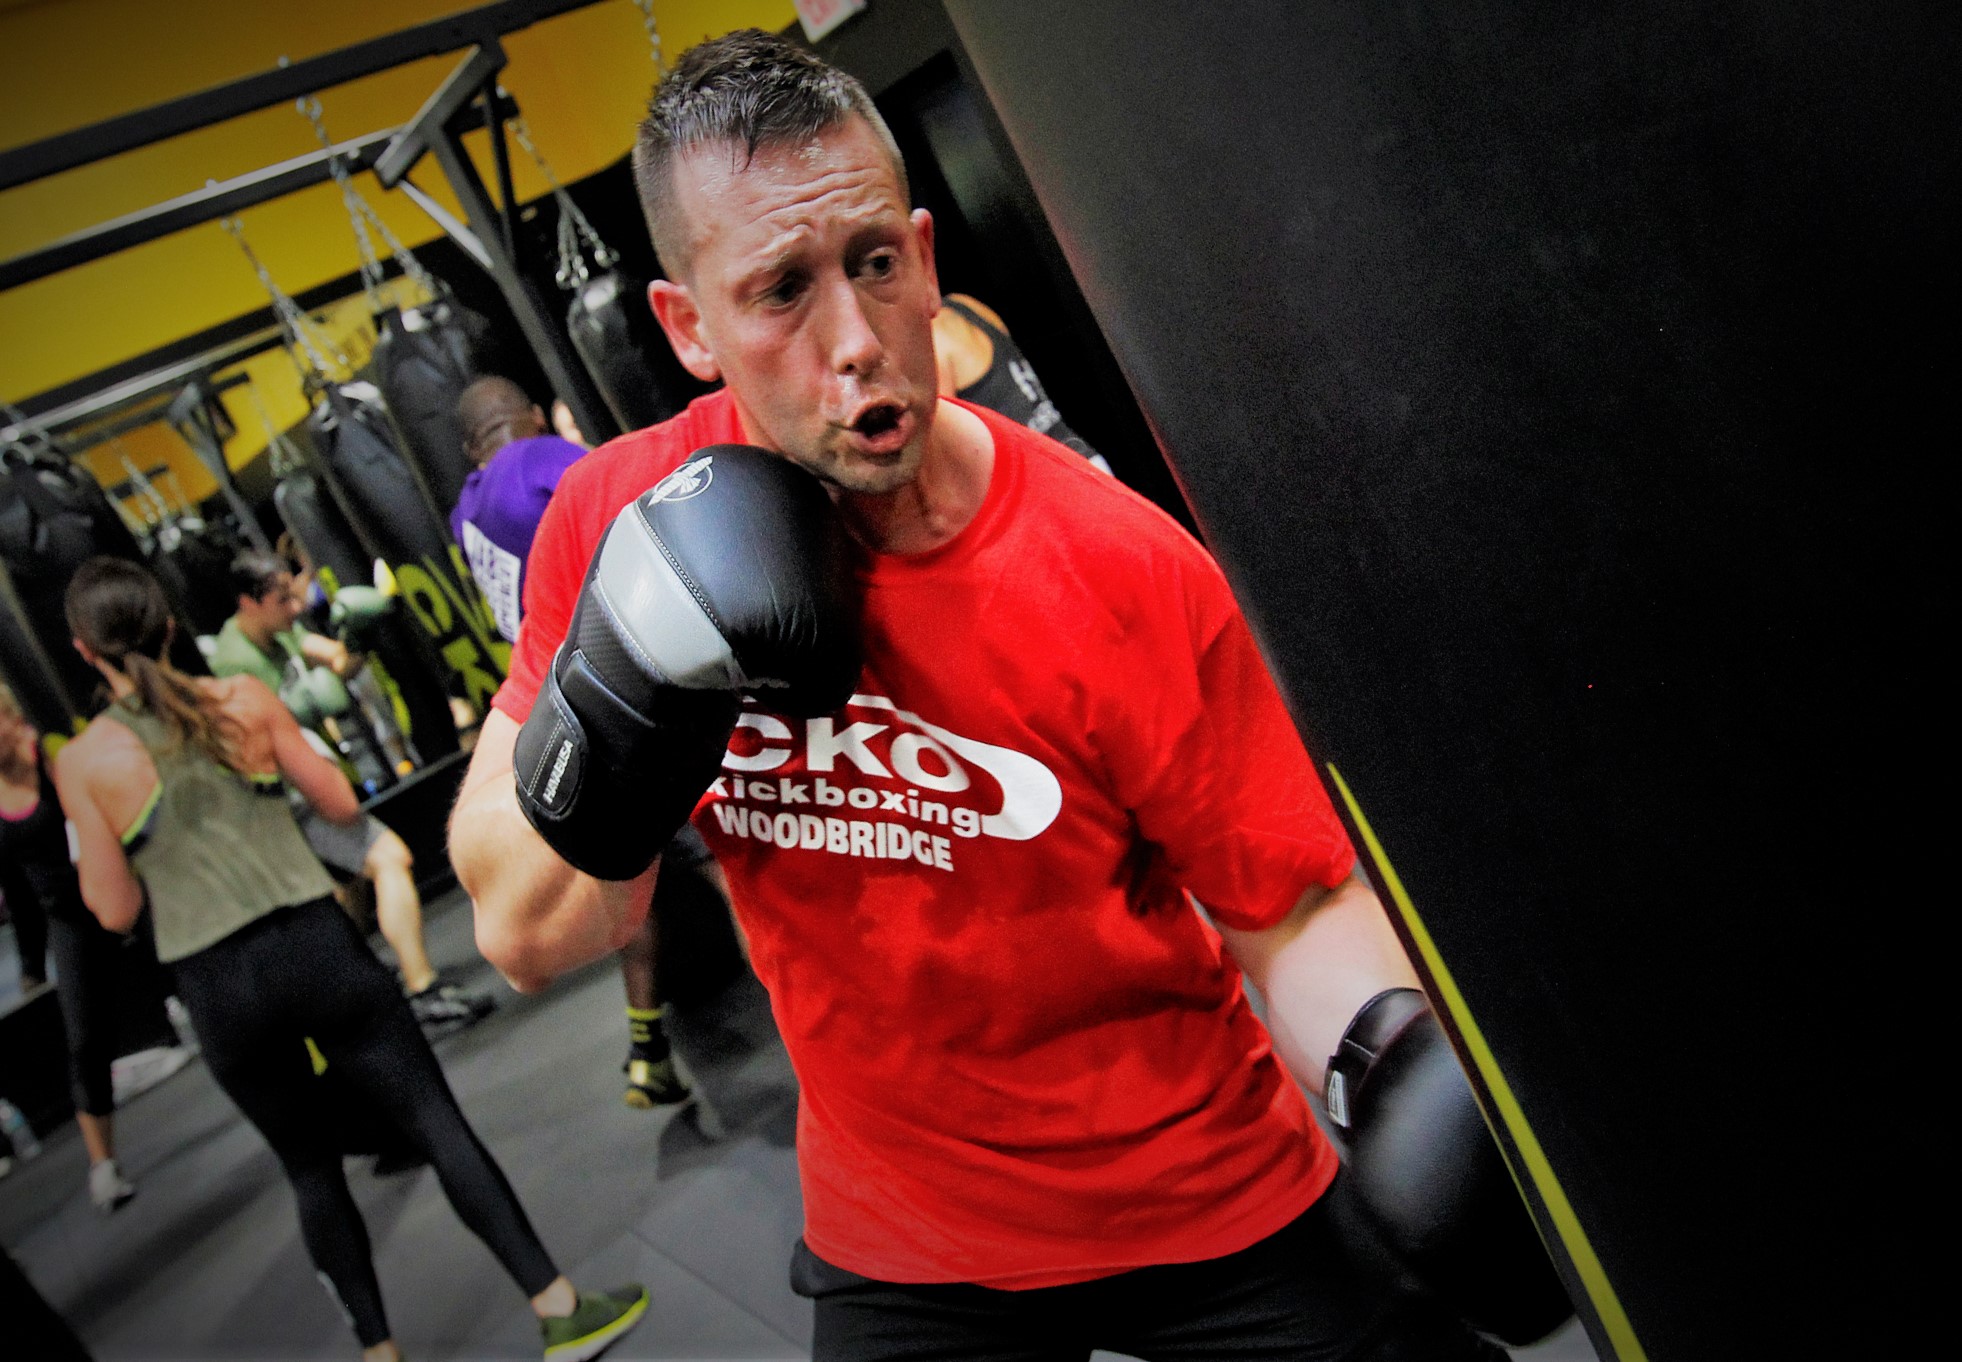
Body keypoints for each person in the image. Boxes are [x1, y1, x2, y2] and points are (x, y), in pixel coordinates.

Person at [451, 30, 1541, 1361]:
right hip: (903, 1226)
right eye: (780, 291)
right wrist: (637, 688)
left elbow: (1285, 904)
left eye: (871, 264)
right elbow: (525, 928)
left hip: (1196, 1184)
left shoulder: (1118, 562)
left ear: (921, 252)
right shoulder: (618, 519)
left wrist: (1383, 1057)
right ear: (687, 326)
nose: (853, 341)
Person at [54, 556, 647, 1362]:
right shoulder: (243, 701)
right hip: (315, 950)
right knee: (435, 1123)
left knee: (310, 1173)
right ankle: (560, 1307)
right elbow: (337, 803)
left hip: (217, 986)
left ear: (84, 652)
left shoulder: (85, 761)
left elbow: (114, 909)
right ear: (166, 627)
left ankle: (379, 1353)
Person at [451, 375, 719, 1109]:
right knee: (740, 875)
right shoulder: (546, 461)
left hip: (551, 712)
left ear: (471, 444)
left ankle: (645, 1048)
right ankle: (815, 1048)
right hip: (624, 686)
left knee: (619, 880)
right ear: (531, 417)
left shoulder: (464, 509)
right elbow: (643, 512)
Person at [208, 550, 491, 1033]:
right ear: (248, 603)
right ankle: (421, 989)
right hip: (279, 795)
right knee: (387, 858)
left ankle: (360, 997)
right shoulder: (232, 662)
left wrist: (354, 632)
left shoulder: (281, 630)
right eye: (282, 600)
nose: (295, 609)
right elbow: (260, 734)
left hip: (306, 776)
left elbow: (337, 666)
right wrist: (302, 708)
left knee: (349, 887)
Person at [1, 684, 138, 1211]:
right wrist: (33, 966)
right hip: (68, 919)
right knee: (85, 1040)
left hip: (113, 887)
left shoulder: (54, 756)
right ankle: (104, 1166)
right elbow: (14, 889)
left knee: (191, 969)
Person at [931, 293, 1114, 472]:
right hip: (1084, 460)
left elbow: (943, 452)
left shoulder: (934, 339)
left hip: (1051, 479)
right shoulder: (963, 303)